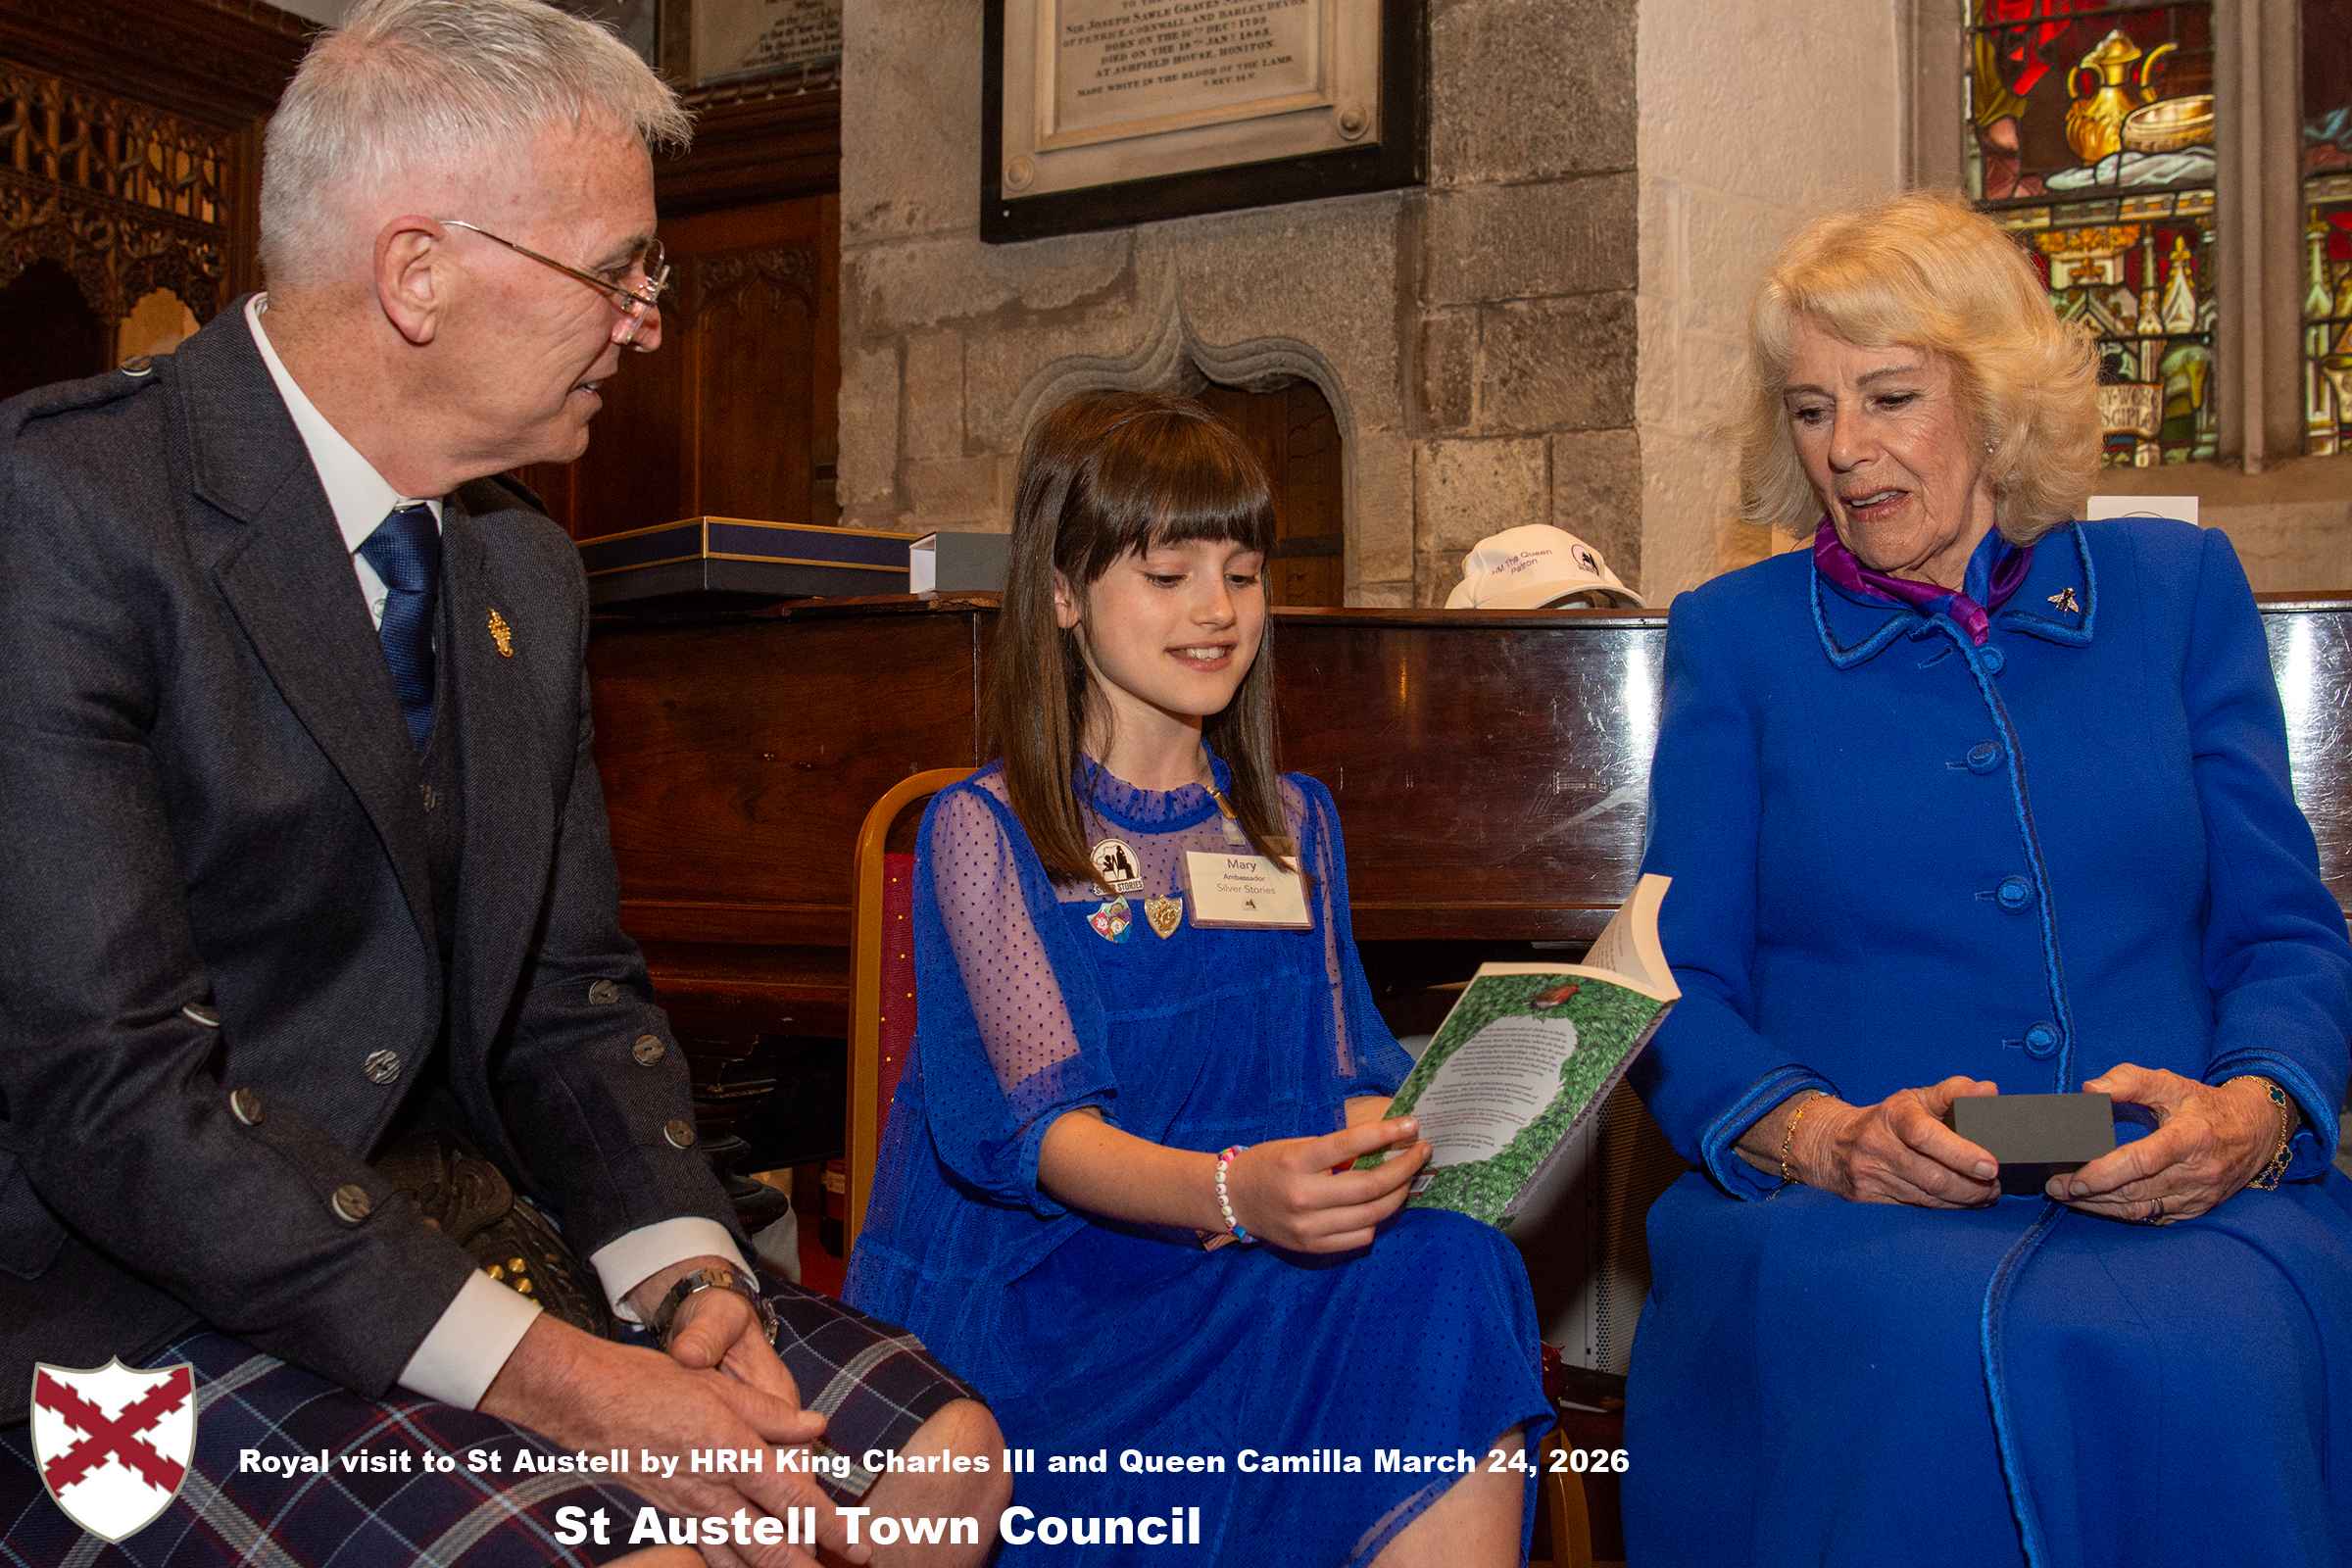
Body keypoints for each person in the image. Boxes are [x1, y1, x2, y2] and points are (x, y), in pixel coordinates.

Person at [0, 3, 1003, 1563]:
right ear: (417, 273)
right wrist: (562, 1384)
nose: (650, 320)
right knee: (659, 1551)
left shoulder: (521, 561)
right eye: (618, 271)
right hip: (118, 1324)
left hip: (453, 1237)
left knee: (947, 1465)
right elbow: (119, 1099)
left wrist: (688, 1280)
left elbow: (568, 994)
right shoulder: (58, 514)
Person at [1624, 190, 2352, 1566]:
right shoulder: (1742, 638)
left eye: (1889, 396)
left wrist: (2249, 1117)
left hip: (2175, 1185)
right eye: (1810, 409)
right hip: (1854, 1213)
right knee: (1928, 1357)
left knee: (2229, 1344)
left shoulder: (2176, 591)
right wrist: (1825, 1136)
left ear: (1998, 397)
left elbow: (2286, 938)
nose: (1845, 450)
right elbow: (1675, 988)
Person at [843, 390, 1552, 1566]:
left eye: (1243, 571)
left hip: (1252, 1261)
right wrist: (1236, 1194)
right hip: (1062, 1308)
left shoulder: (1294, 822)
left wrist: (1424, 1139)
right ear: (1064, 595)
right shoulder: (989, 827)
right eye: (1168, 575)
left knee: (1453, 1266)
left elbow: (1344, 1079)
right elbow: (1046, 1138)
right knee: (1416, 1294)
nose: (1217, 611)